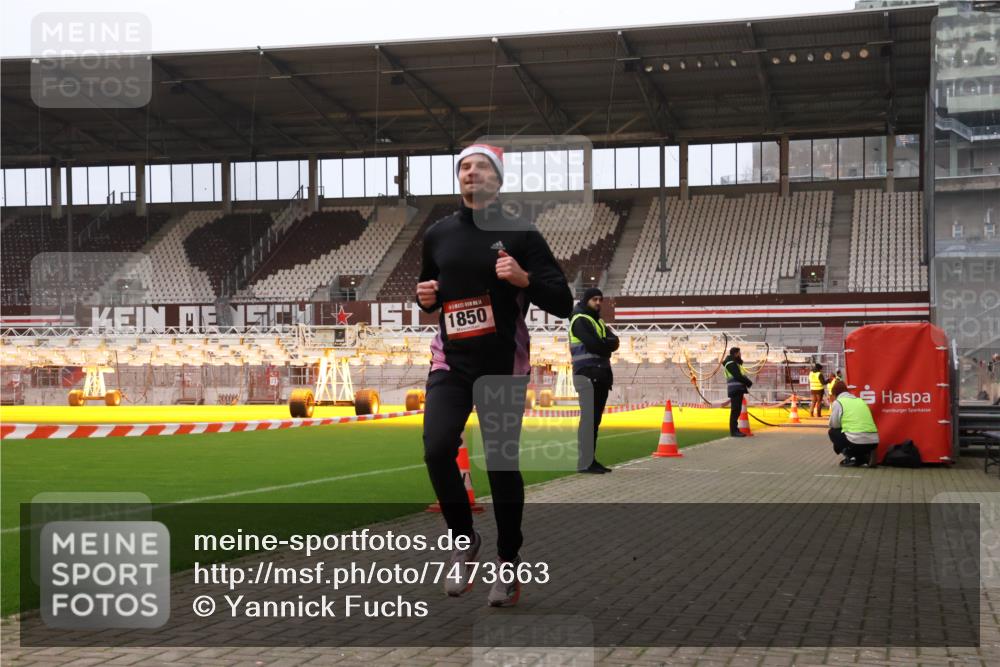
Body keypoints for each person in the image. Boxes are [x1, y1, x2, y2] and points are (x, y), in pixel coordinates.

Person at [415, 143, 573, 607]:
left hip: (503, 364)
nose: (471, 173)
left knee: (502, 466)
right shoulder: (438, 234)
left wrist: (524, 280)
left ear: (498, 180)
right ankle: (464, 542)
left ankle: (508, 562)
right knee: (436, 447)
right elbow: (431, 293)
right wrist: (425, 298)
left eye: (481, 167)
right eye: (464, 167)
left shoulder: (521, 233)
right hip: (450, 362)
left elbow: (562, 301)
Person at [568, 287, 619, 474]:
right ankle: (584, 462)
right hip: (587, 374)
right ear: (586, 300)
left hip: (600, 374)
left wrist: (605, 346)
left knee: (594, 420)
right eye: (594, 299)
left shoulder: (597, 321)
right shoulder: (580, 320)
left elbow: (616, 341)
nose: (598, 302)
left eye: (600, 299)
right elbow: (596, 345)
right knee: (589, 420)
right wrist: (606, 346)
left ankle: (590, 460)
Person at [828, 380, 879, 467]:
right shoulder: (860, 400)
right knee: (853, 435)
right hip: (873, 441)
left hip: (856, 441)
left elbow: (834, 424)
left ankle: (852, 457)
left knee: (832, 432)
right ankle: (866, 455)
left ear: (835, 394)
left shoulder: (838, 402)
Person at [722, 347, 753, 437]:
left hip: (737, 389)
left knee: (737, 410)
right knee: (735, 410)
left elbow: (739, 375)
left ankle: (735, 430)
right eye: (739, 353)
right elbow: (738, 376)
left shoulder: (733, 363)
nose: (740, 355)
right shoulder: (731, 363)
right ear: (736, 354)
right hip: (735, 389)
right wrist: (748, 382)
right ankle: (734, 431)